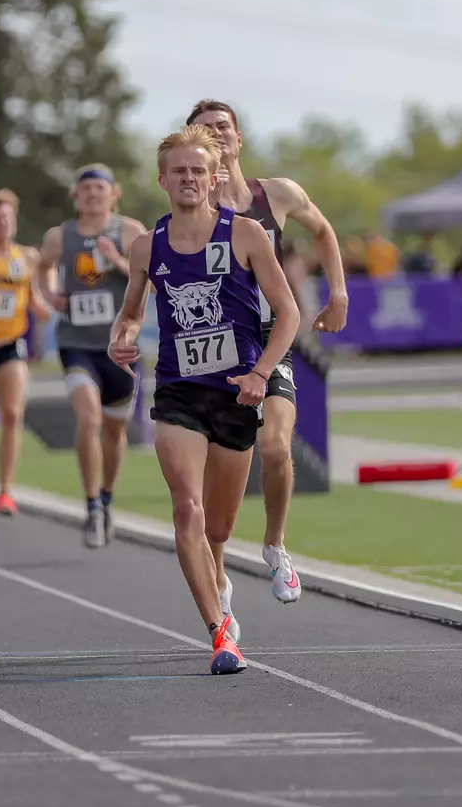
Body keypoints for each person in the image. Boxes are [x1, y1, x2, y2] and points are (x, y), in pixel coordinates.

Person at [109, 125, 299, 675]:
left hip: (236, 394)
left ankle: (221, 574)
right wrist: (121, 335)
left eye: (199, 170)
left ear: (215, 177)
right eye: (179, 171)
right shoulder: (147, 246)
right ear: (162, 179)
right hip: (179, 391)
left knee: (218, 528)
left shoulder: (246, 235)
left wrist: (262, 373)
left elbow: (286, 313)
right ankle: (220, 635)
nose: (189, 179)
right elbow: (131, 312)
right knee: (186, 510)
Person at [187, 99, 348, 606]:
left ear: (238, 140)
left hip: (269, 340)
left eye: (223, 128)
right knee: (218, 473)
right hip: (215, 350)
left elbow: (322, 230)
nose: (217, 136)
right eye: (205, 131)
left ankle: (276, 546)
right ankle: (217, 572)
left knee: (276, 447)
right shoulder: (193, 209)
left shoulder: (277, 194)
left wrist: (338, 293)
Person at [38, 165, 148, 548]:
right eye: (85, 189)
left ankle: (106, 496)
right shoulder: (60, 236)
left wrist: (117, 259)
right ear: (76, 196)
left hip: (119, 346)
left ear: (113, 194)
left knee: (115, 430)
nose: (92, 195)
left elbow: (148, 279)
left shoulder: (130, 231)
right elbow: (43, 267)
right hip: (76, 343)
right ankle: (90, 507)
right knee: (88, 419)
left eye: (99, 188)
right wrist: (49, 294)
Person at [0, 187, 52, 517]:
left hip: (11, 343)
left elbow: (34, 300)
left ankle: (5, 491)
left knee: (14, 413)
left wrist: (47, 308)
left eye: (8, 216)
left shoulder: (27, 257)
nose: (3, 222)